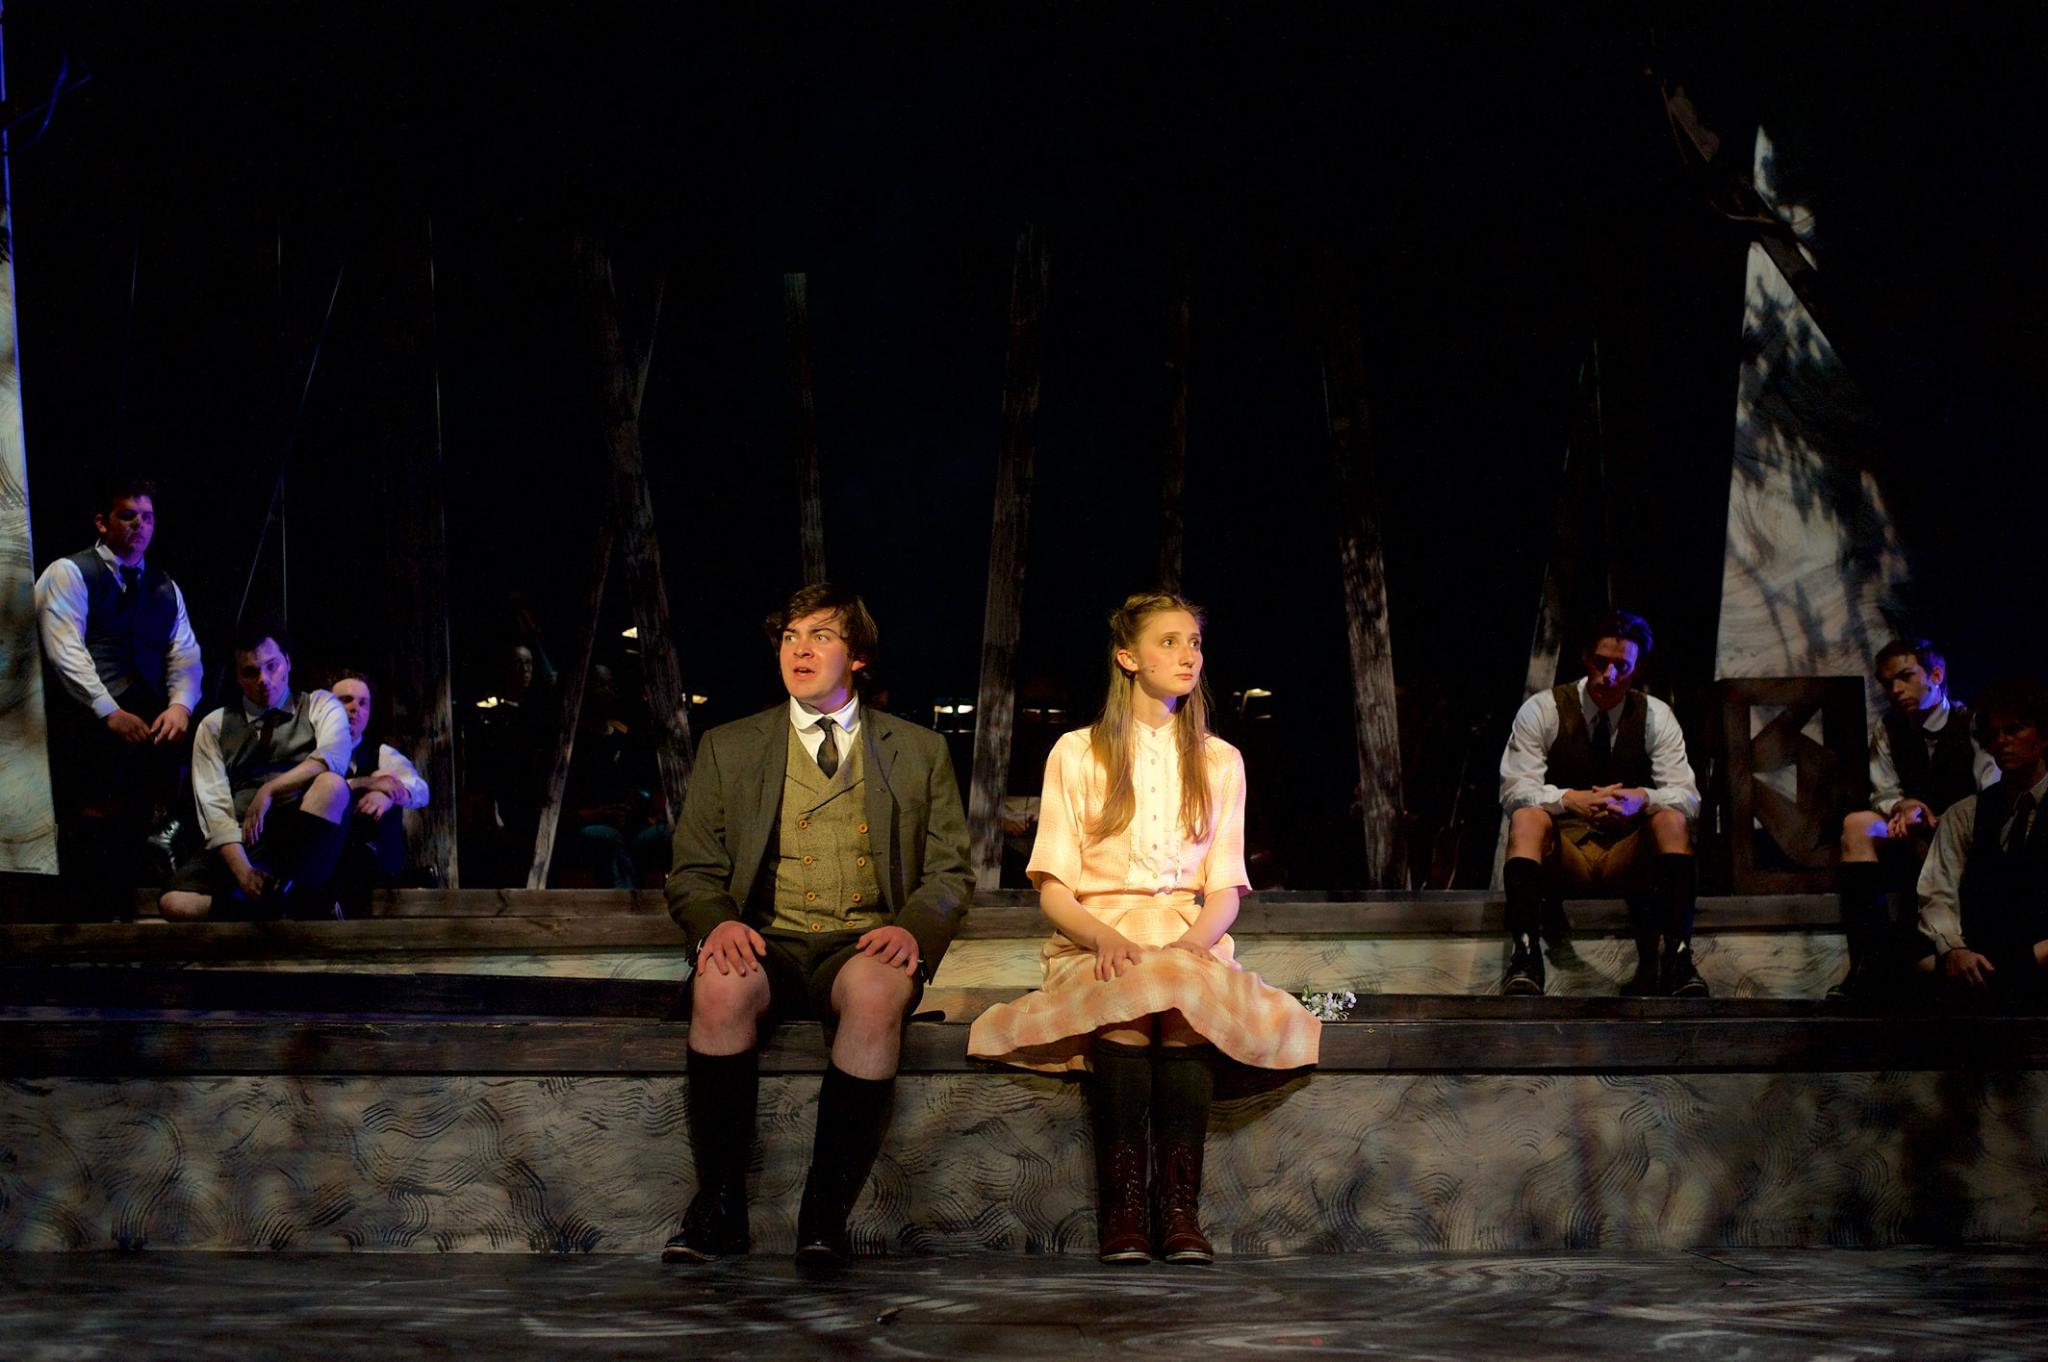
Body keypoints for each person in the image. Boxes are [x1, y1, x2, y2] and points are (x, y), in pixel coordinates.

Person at [968, 593, 1320, 1265]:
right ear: (1128, 658)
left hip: (1188, 932)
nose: (1188, 655)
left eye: (1194, 642)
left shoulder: (1220, 760)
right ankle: (1124, 1209)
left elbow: (1224, 888)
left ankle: (1178, 1209)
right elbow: (1054, 886)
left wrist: (1190, 946)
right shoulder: (1078, 753)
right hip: (1097, 935)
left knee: (1183, 998)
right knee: (1129, 1002)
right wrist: (1103, 936)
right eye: (1169, 641)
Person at [662, 584, 971, 1269]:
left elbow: (950, 872)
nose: (800, 650)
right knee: (720, 983)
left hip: (861, 942)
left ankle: (824, 1215)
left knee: (877, 993)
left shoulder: (917, 750)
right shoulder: (730, 746)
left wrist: (913, 931)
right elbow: (693, 871)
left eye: (821, 636)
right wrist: (717, 924)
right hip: (767, 938)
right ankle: (719, 1207)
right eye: (790, 637)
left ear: (857, 656)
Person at [1497, 610, 1703, 997]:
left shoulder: (1656, 716)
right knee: (1526, 818)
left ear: (1637, 669)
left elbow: (1688, 796)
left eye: (1621, 666)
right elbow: (1514, 788)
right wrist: (1568, 800)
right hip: (1566, 853)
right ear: (1585, 658)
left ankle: (1678, 958)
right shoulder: (1544, 709)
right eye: (1600, 662)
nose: (1609, 675)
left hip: (1626, 852)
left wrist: (1643, 799)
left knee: (1672, 821)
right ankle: (1525, 957)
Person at [34, 477, 203, 902]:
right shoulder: (70, 572)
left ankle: (134, 894)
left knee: (145, 806)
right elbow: (64, 650)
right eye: (128, 515)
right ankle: (87, 906)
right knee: (93, 814)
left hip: (147, 717)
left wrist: (181, 706)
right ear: (102, 522)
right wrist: (108, 710)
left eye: (147, 517)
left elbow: (184, 653)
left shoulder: (165, 586)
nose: (139, 525)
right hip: (86, 717)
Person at [1832, 638, 1997, 998]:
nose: (1895, 690)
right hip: (1911, 834)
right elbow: (1883, 791)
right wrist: (1903, 806)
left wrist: (1949, 819)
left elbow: (1993, 790)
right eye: (1888, 682)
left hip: (1965, 833)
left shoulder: (1971, 723)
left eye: (1905, 677)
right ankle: (1866, 962)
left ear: (1936, 675)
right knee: (1857, 825)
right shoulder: (1889, 729)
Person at [157, 620, 352, 921]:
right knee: (174, 902)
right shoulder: (214, 725)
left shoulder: (319, 704)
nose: (264, 679)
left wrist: (270, 789)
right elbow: (215, 811)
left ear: (287, 662)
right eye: (250, 672)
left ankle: (294, 891)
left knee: (332, 785)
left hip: (300, 836)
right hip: (243, 841)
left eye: (272, 666)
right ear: (238, 676)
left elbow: (333, 757)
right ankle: (279, 907)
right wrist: (244, 873)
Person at [1916, 681, 2048, 1002]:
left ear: (2043, 736)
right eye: (1993, 734)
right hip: (1979, 958)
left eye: (2013, 729)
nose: (2001, 741)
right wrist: (1954, 950)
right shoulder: (1966, 813)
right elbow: (1938, 891)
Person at [332, 671, 431, 913]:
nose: (355, 708)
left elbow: (420, 789)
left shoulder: (381, 752)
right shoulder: (312, 751)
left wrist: (387, 795)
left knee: (391, 783)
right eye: (346, 700)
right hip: (330, 861)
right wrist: (369, 783)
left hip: (375, 869)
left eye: (363, 703)